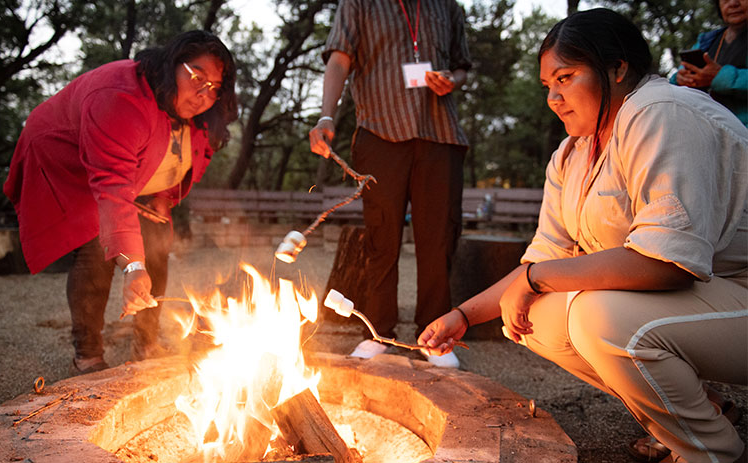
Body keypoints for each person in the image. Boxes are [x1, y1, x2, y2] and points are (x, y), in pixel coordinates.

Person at [419, 8, 747, 463]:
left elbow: (666, 265)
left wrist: (534, 279)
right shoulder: (572, 154)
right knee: (536, 318)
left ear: (617, 69)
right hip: (708, 305)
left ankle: (713, 453)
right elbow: (542, 259)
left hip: (738, 299)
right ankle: (705, 412)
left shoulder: (662, 113)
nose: (553, 97)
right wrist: (463, 315)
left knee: (597, 317)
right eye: (547, 86)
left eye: (566, 77)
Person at [4, 31, 238, 374]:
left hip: (125, 174)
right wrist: (132, 266)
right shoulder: (119, 97)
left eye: (214, 87)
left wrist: (161, 197)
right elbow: (112, 187)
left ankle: (146, 344)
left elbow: (182, 159)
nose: (204, 94)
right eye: (197, 77)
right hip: (66, 162)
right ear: (172, 64)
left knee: (155, 245)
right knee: (95, 246)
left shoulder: (195, 115)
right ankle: (88, 354)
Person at [309, 0, 471, 368]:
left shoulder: (446, 7)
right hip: (379, 131)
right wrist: (326, 115)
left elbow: (463, 66)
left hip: (438, 133)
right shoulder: (360, 4)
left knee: (438, 238)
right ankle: (378, 332)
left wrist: (451, 80)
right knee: (381, 238)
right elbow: (339, 58)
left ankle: (435, 337)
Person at [670, 0, 747, 126]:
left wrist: (720, 77)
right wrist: (681, 79)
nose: (733, 3)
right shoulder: (708, 41)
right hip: (712, 131)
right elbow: (679, 75)